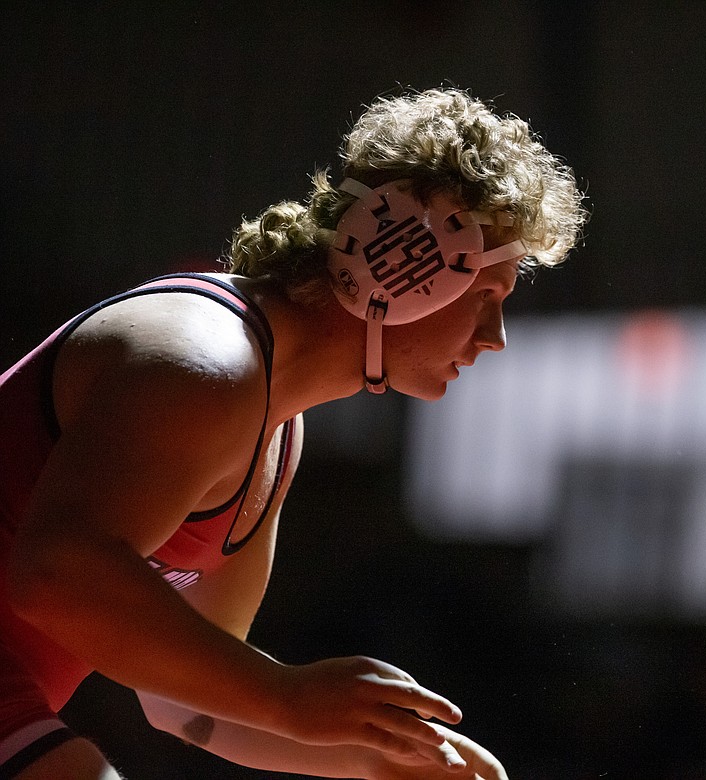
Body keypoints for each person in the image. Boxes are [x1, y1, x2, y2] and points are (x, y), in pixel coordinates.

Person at [0, 87, 587, 779]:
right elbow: (55, 576)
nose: (495, 339)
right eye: (488, 296)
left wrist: (386, 760)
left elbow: (186, 704)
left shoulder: (273, 431)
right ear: (402, 268)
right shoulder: (206, 362)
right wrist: (287, 697)